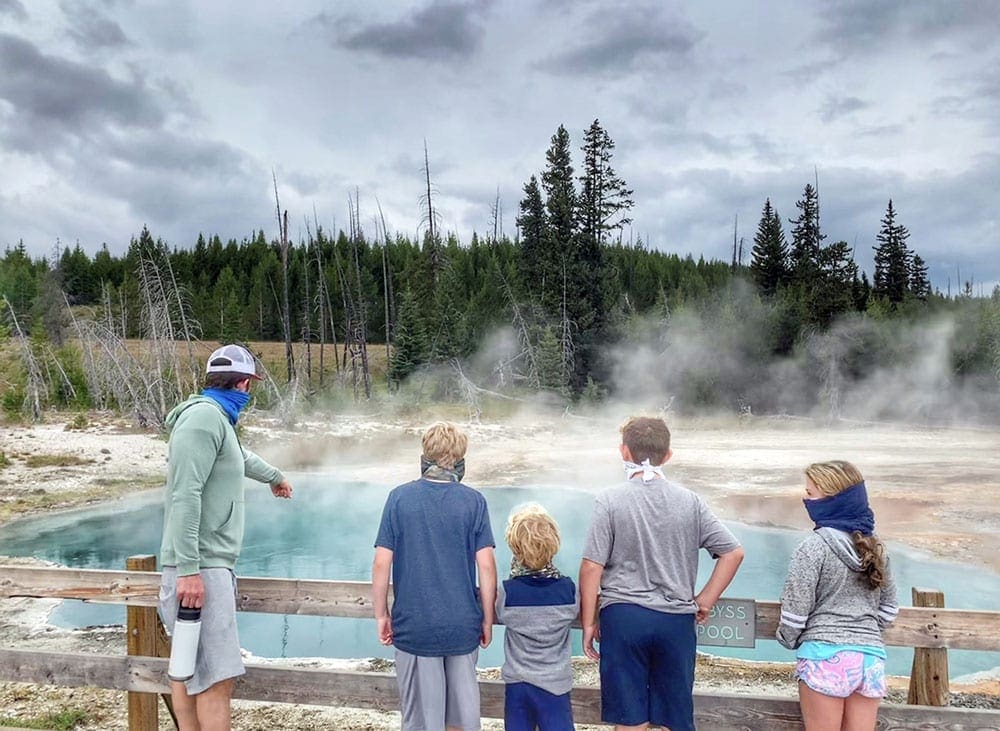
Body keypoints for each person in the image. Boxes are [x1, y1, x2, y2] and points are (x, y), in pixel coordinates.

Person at [158, 344, 293, 731]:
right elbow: (186, 495)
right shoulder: (203, 420)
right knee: (216, 677)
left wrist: (274, 477)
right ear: (246, 383)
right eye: (252, 386)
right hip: (202, 565)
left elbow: (239, 456)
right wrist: (188, 570)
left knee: (191, 668)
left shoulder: (216, 419)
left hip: (202, 564)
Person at [580, 416, 745, 731]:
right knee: (673, 717)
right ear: (668, 455)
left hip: (624, 618)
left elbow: (591, 566)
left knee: (630, 718)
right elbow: (733, 552)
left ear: (623, 452)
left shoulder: (609, 500)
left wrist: (589, 622)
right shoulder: (690, 501)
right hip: (675, 621)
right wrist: (705, 600)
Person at [372, 421, 497, 731]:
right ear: (459, 457)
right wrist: (486, 619)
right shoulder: (474, 502)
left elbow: (381, 563)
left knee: (421, 723)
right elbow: (486, 566)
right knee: (460, 719)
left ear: (425, 455)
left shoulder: (399, 498)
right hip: (462, 625)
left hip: (415, 626)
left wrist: (381, 615)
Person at [777, 461, 898, 731]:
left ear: (833, 499)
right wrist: (863, 631)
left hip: (823, 654)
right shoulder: (876, 547)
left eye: (810, 494)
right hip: (870, 658)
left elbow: (796, 611)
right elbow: (889, 609)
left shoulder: (813, 547)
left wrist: (787, 638)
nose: (804, 499)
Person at [496, 503, 578, 731]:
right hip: (555, 686)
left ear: (514, 547)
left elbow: (500, 613)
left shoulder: (508, 592)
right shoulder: (568, 591)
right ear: (554, 544)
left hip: (518, 685)